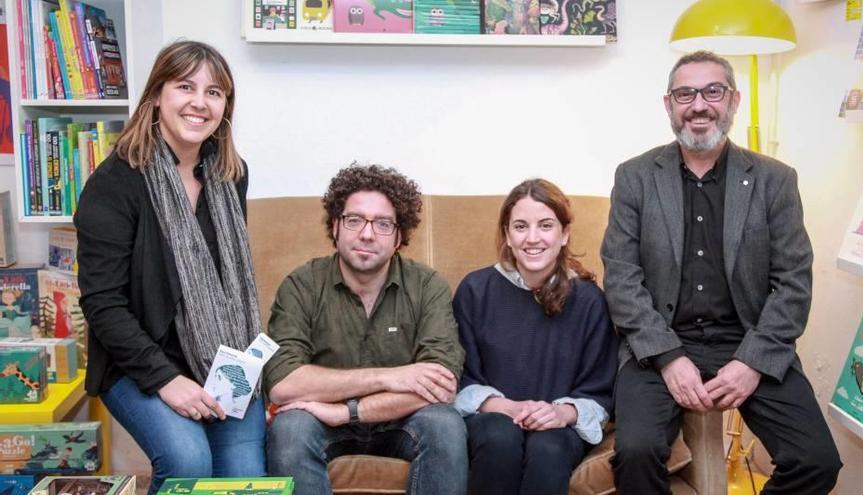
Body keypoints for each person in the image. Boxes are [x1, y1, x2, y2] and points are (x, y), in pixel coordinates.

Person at [601, 50, 842, 494]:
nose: (698, 105)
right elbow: (621, 278)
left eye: (712, 91)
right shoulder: (635, 177)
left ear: (732, 100)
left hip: (749, 338)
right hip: (661, 343)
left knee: (817, 461)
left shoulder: (775, 179)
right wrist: (669, 358)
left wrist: (752, 362)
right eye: (684, 93)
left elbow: (793, 281)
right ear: (668, 104)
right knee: (635, 452)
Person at [74, 41, 265, 495]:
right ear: (157, 94)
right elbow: (103, 304)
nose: (200, 102)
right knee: (188, 459)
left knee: (246, 481)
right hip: (137, 362)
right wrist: (165, 379)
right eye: (185, 86)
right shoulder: (114, 183)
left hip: (222, 361)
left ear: (225, 107)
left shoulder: (230, 175)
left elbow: (228, 283)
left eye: (215, 92)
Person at [264, 164, 467, 495]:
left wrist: (346, 411)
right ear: (336, 226)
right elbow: (283, 385)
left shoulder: (427, 285)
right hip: (320, 425)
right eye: (355, 220)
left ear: (400, 235)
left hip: (401, 422)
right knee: (290, 428)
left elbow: (441, 385)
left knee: (445, 424)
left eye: (383, 224)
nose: (367, 234)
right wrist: (390, 377)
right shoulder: (302, 285)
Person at [453, 179, 617, 495]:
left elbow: (599, 392)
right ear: (506, 235)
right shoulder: (475, 291)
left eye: (545, 226)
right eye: (520, 226)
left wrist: (560, 413)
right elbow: (461, 380)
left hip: (558, 427)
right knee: (500, 439)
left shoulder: (589, 301)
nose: (532, 238)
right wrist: (508, 408)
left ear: (564, 233)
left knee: (548, 449)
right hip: (493, 419)